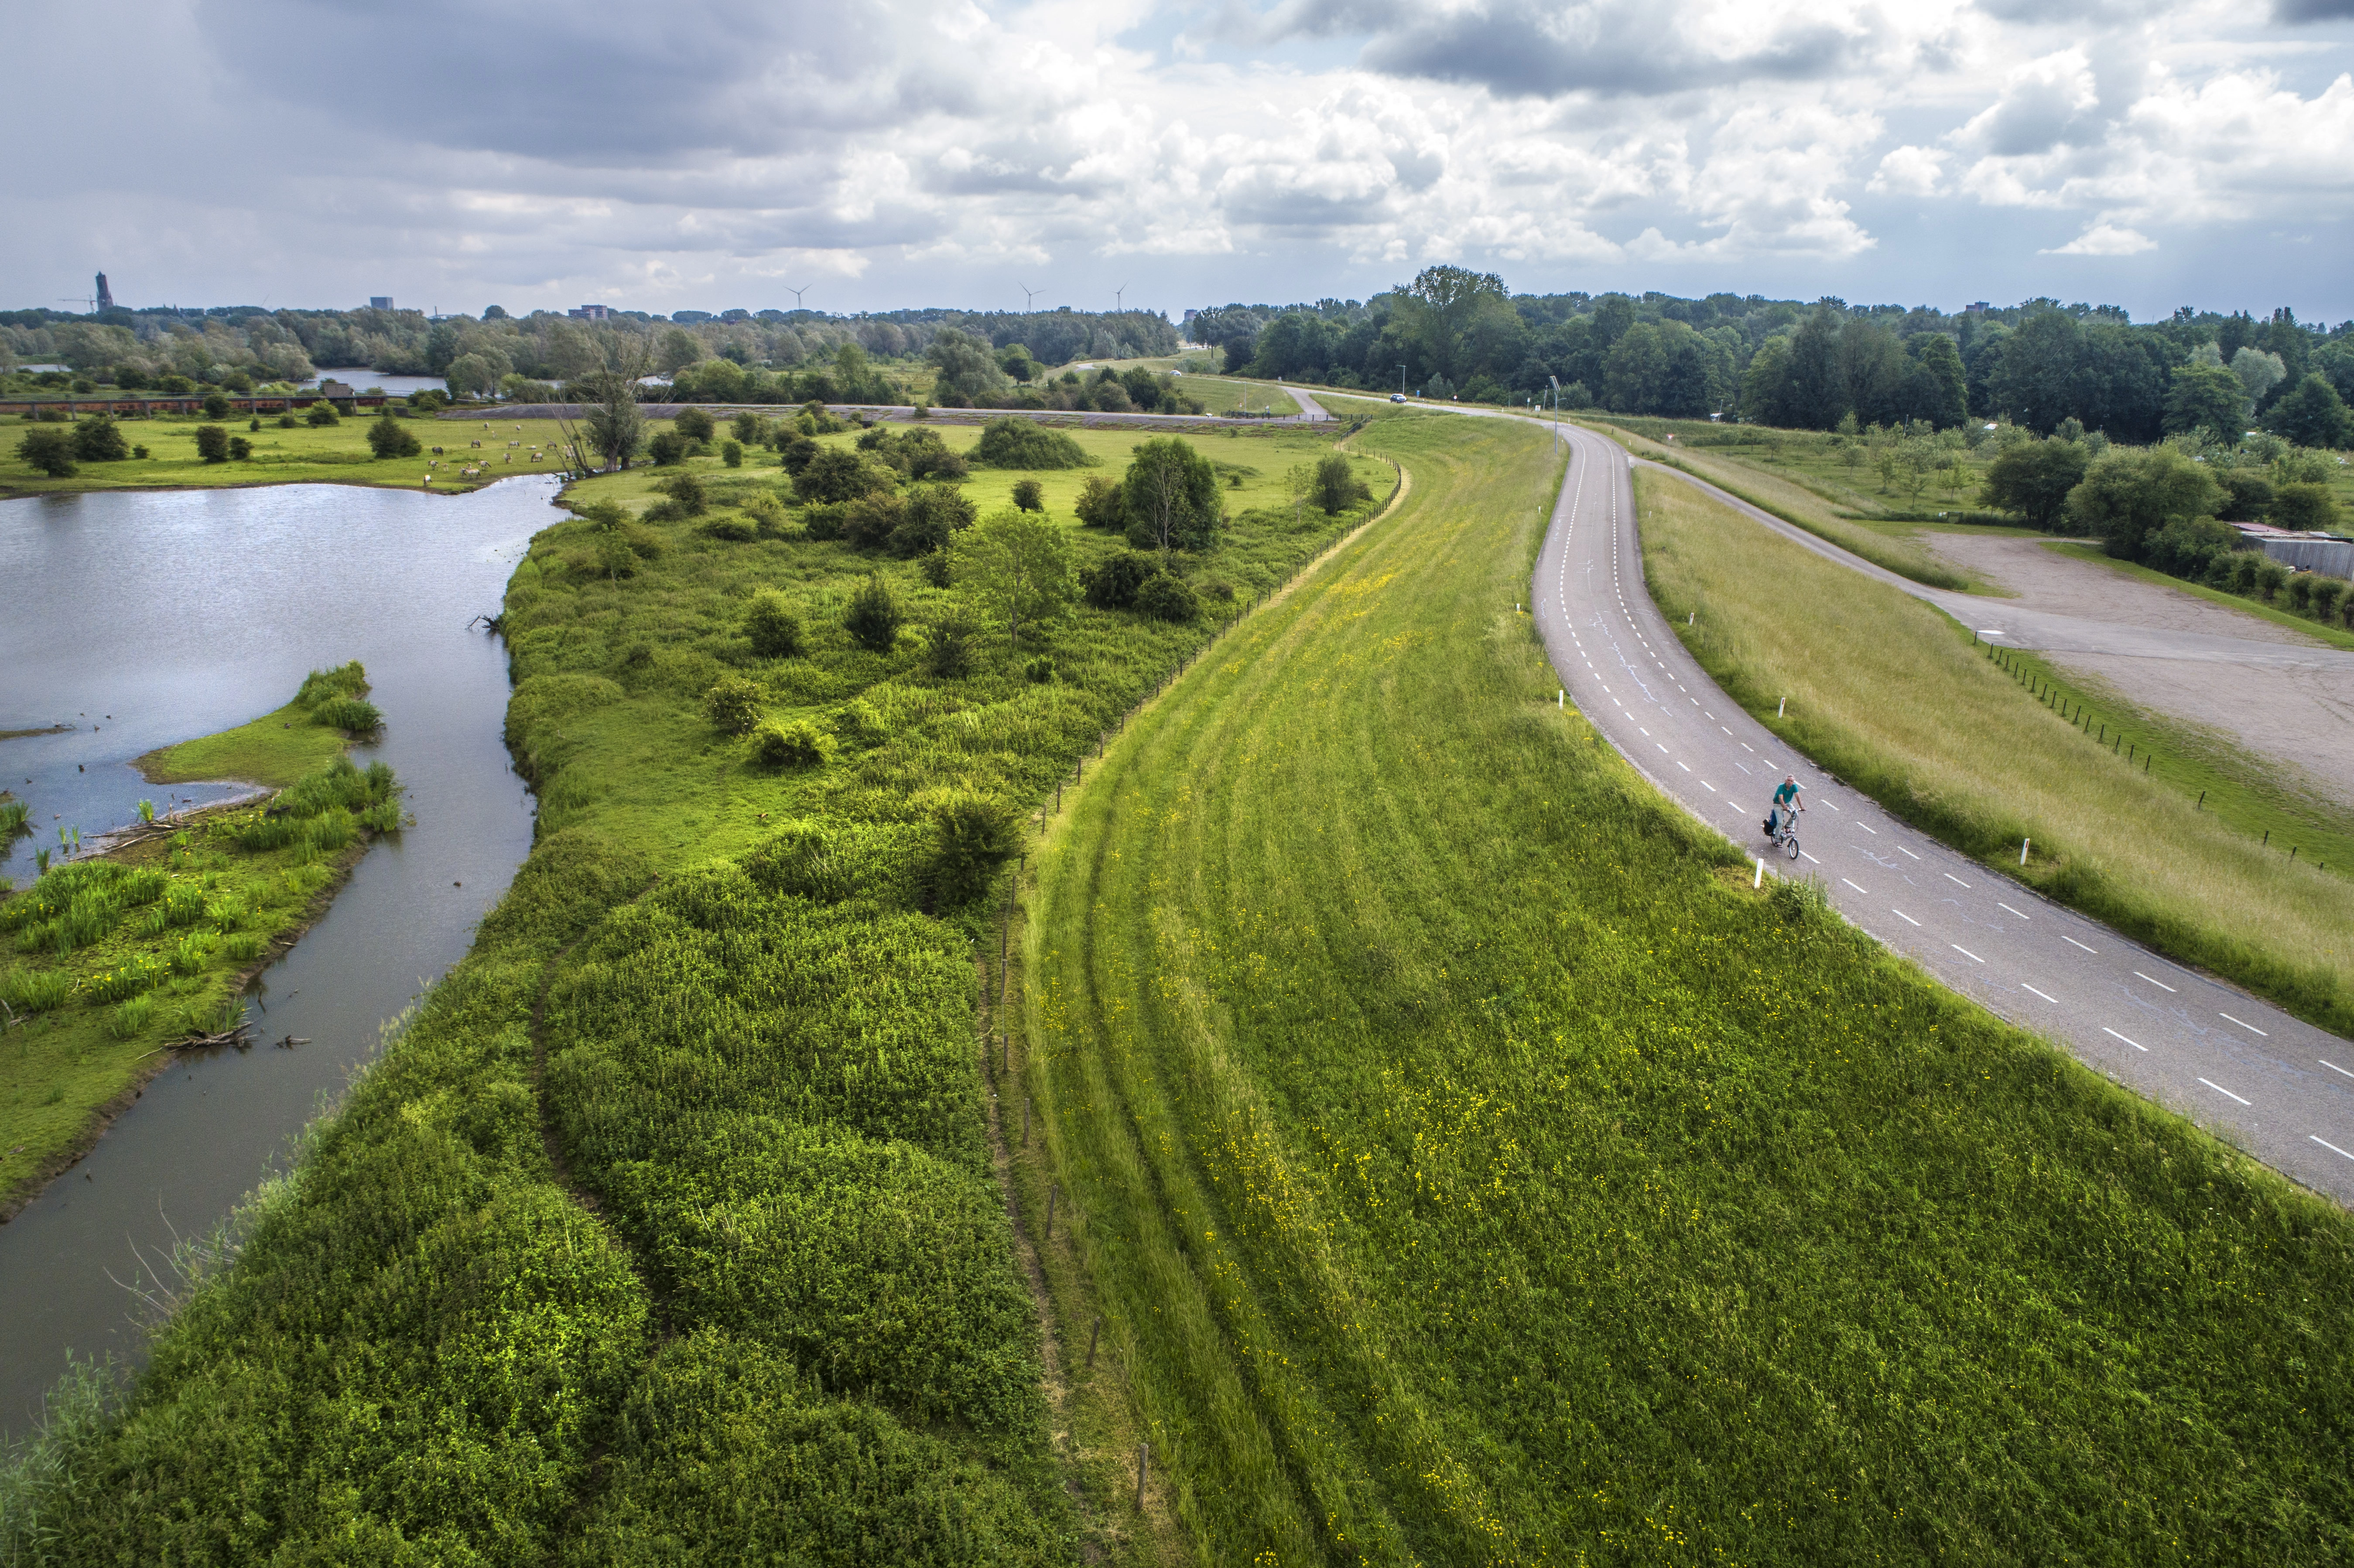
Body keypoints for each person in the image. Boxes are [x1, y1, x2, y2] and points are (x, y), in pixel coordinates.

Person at [1766, 774, 1804, 838]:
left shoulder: (1794, 787)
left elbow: (1797, 797)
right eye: (1788, 780)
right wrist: (1784, 807)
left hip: (1787, 803)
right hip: (1778, 804)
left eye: (1791, 781)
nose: (1790, 782)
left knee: (1795, 814)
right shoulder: (1781, 786)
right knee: (1780, 823)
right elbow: (1781, 798)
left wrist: (1801, 807)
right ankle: (1777, 840)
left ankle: (1788, 826)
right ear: (1786, 781)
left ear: (1793, 782)